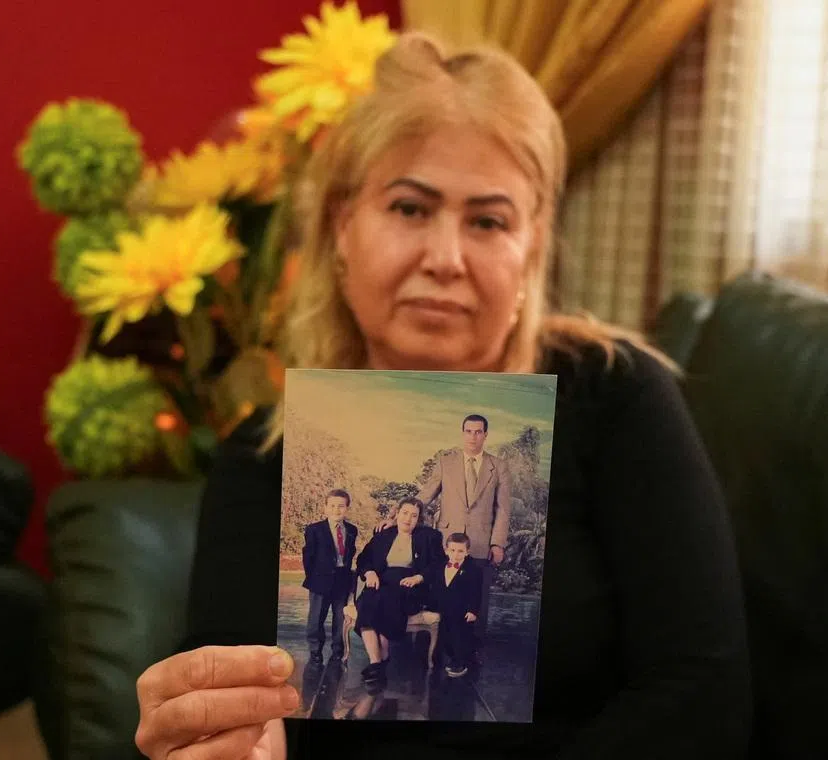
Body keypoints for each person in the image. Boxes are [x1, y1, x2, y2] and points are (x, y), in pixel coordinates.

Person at [134, 30, 751, 760]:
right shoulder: (264, 456)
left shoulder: (614, 396)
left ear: (531, 246)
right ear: (342, 227)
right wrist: (212, 734)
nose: (445, 259)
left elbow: (702, 696)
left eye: (488, 221)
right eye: (409, 209)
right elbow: (232, 715)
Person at [418, 413, 510, 645]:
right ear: (463, 433)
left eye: (478, 431)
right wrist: (396, 515)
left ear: (485, 435)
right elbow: (425, 496)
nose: (473, 436)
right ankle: (437, 647)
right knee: (441, 594)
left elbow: (503, 508)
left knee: (476, 599)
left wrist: (497, 542)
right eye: (468, 431)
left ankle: (471, 651)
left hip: (480, 543)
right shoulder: (445, 462)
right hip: (447, 542)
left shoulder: (498, 466)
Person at [349, 497, 444, 684]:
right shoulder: (383, 534)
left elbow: (438, 563)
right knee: (368, 601)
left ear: (419, 519)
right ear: (397, 513)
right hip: (380, 581)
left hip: (410, 585)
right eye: (405, 513)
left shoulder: (429, 537)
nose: (408, 519)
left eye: (414, 515)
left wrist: (419, 577)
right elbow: (363, 559)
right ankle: (377, 662)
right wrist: (369, 573)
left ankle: (379, 664)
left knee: (388, 600)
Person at [301, 488, 358, 663]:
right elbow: (308, 556)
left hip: (342, 578)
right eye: (332, 506)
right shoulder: (314, 530)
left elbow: (350, 553)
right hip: (320, 579)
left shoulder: (351, 530)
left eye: (341, 506)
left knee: (340, 617)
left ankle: (338, 649)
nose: (336, 510)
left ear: (347, 508)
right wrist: (314, 577)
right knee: (316, 617)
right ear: (325, 508)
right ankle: (315, 649)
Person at [428, 532, 483, 678]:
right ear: (446, 550)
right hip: (442, 608)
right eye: (452, 550)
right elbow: (435, 588)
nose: (456, 554)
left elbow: (476, 592)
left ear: (467, 552)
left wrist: (472, 610)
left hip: (461, 611)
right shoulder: (439, 566)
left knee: (459, 636)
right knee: (443, 635)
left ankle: (460, 661)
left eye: (460, 551)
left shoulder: (473, 570)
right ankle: (441, 658)